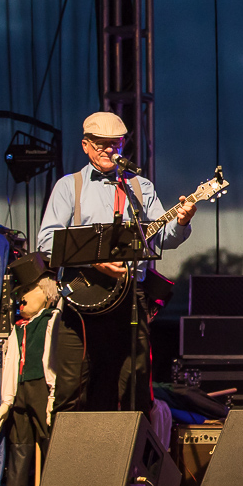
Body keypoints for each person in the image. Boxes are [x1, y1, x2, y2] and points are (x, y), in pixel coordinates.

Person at [36, 112, 196, 415]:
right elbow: (46, 242)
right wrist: (95, 261)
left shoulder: (141, 187)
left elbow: (162, 238)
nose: (109, 149)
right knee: (72, 390)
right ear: (85, 145)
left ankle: (133, 447)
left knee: (135, 388)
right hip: (81, 301)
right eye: (101, 144)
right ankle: (69, 448)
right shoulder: (69, 186)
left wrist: (182, 221)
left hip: (129, 299)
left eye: (115, 143)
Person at [0, 269, 59, 486]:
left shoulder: (51, 319)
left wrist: (53, 393)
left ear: (47, 294)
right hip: (21, 388)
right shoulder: (18, 327)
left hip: (40, 385)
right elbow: (11, 362)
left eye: (28, 290)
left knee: (47, 435)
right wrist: (7, 400)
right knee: (19, 438)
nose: (22, 296)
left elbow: (52, 356)